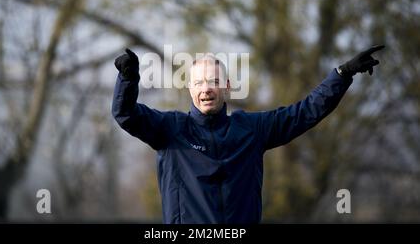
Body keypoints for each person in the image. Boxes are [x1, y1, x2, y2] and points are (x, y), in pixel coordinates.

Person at [111, 45, 385, 224]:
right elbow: (125, 114)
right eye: (199, 82)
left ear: (227, 87)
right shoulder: (170, 130)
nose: (206, 88)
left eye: (214, 81)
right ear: (190, 89)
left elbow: (304, 113)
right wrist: (128, 78)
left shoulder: (250, 130)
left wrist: (342, 74)